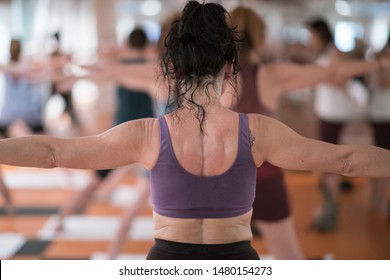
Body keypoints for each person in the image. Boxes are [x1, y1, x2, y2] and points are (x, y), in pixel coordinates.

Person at [3, 1, 390, 260]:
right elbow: (347, 161)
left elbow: (53, 153)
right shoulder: (260, 132)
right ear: (229, 69)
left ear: (171, 69)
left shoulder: (146, 134)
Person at [225, 6, 390, 259]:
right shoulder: (272, 74)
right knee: (288, 256)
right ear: (260, 37)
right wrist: (378, 63)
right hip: (265, 178)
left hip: (224, 177)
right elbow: (333, 72)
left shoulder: (213, 75)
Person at [52, 28, 155, 259]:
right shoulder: (150, 63)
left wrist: (76, 75)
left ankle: (61, 219)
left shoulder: (124, 62)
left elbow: (104, 66)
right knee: (136, 191)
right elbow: (105, 65)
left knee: (97, 181)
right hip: (144, 135)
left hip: (126, 134)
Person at [305, 17, 372, 231]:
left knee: (329, 161)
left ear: (320, 34)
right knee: (328, 160)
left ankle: (330, 209)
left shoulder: (334, 53)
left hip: (334, 113)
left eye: (311, 36)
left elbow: (342, 80)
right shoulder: (326, 53)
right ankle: (328, 206)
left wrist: (319, 77)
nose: (309, 40)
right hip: (327, 112)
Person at [0, 39, 51, 214]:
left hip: (9, 115)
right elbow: (42, 71)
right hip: (27, 114)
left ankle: (9, 203)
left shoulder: (10, 66)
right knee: (51, 144)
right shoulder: (24, 65)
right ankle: (71, 175)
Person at [367, 32, 390, 219]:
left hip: (379, 112)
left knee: (380, 156)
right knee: (384, 159)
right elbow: (383, 83)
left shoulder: (377, 57)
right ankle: (379, 203)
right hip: (383, 114)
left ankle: (377, 200)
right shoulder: (383, 58)